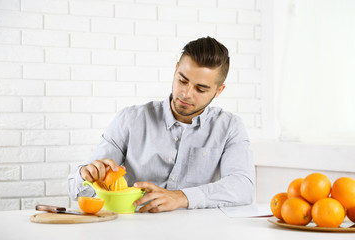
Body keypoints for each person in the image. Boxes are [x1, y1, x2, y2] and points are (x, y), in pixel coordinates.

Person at [68, 36, 255, 213]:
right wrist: (87, 175)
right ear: (175, 70)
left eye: (201, 89)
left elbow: (243, 186)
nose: (186, 93)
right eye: (182, 80)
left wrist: (181, 197)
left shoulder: (230, 127)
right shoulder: (130, 119)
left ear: (218, 91)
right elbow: (76, 190)